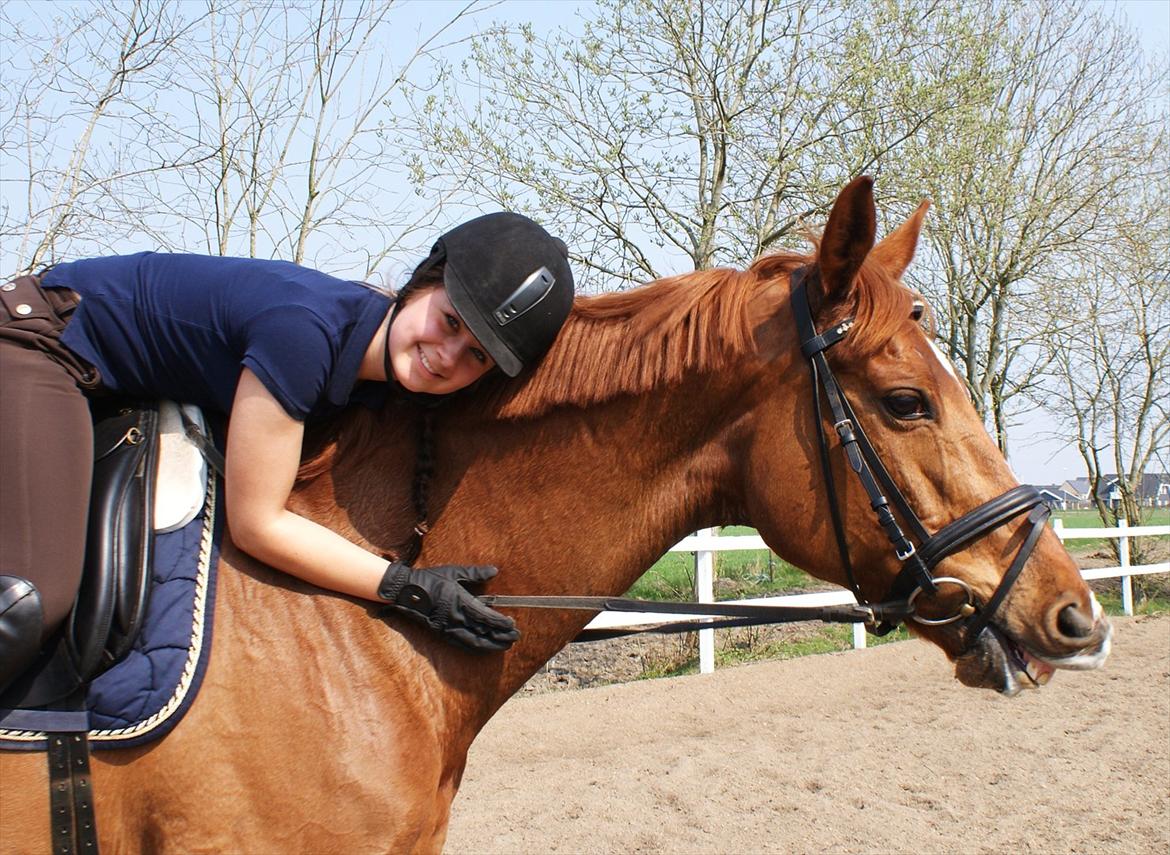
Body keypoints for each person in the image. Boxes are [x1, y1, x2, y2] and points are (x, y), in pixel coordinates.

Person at [0, 212, 574, 693]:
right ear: (425, 278)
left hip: (110, 375)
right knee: (31, 602)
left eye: (476, 357)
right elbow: (256, 525)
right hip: (40, 344)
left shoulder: (372, 365)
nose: (447, 356)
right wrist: (407, 589)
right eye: (449, 321)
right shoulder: (306, 334)